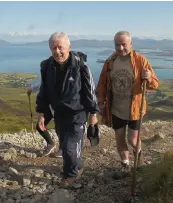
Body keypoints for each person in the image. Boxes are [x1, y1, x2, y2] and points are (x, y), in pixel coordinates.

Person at [36, 32, 99, 187]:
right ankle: (79, 166)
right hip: (59, 113)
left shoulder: (80, 65)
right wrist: (41, 114)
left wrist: (93, 114)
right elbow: (44, 91)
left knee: (70, 148)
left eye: (60, 47)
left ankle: (70, 175)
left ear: (69, 47)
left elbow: (90, 90)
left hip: (78, 113)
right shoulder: (47, 66)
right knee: (65, 144)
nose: (57, 51)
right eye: (53, 48)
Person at [97, 31, 159, 169]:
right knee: (119, 137)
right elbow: (102, 84)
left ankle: (138, 156)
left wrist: (148, 78)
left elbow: (154, 84)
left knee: (132, 139)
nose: (120, 48)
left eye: (124, 44)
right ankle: (125, 163)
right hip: (116, 109)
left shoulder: (140, 61)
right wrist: (101, 102)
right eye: (117, 45)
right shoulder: (110, 62)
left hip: (135, 109)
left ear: (131, 44)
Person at [27, 83, 62, 157]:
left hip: (59, 108)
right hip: (49, 107)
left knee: (60, 128)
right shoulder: (50, 75)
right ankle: (50, 144)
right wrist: (31, 88)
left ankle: (62, 149)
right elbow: (42, 84)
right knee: (40, 126)